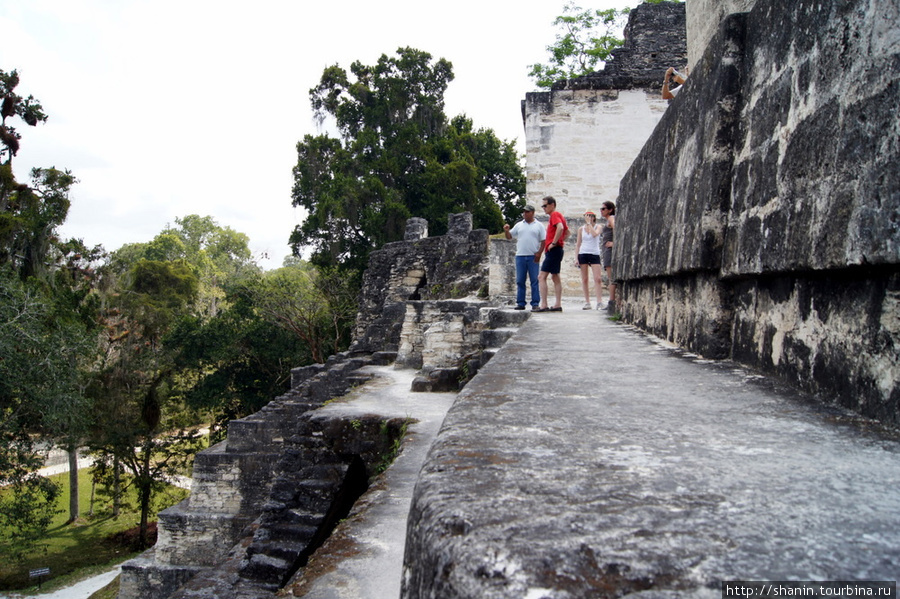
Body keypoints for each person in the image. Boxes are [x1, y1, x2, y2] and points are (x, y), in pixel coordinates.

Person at [503, 204, 545, 310]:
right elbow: (509, 237)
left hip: (533, 256)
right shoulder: (519, 225)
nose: (525, 214)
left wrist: (539, 253)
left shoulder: (539, 225)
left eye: (527, 212)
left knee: (534, 281)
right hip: (520, 256)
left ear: (532, 213)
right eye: (524, 212)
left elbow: (543, 241)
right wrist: (507, 230)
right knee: (520, 280)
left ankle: (535, 303)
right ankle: (521, 303)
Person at [535, 196, 568, 312]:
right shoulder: (558, 216)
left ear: (552, 205)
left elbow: (561, 227)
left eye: (545, 205)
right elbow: (567, 232)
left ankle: (544, 304)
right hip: (557, 250)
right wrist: (560, 241)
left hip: (553, 250)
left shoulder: (554, 215)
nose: (543, 208)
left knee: (541, 276)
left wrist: (554, 243)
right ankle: (557, 304)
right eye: (542, 206)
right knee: (555, 276)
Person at [574, 210, 603, 310]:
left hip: (594, 253)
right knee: (585, 279)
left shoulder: (598, 226)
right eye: (587, 216)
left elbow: (595, 234)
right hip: (583, 253)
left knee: (598, 278)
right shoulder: (581, 229)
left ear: (594, 217)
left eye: (590, 216)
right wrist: (576, 258)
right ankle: (587, 302)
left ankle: (599, 301)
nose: (589, 217)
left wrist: (589, 224)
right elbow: (578, 244)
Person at [600, 201, 617, 311]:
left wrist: (614, 243)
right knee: (610, 277)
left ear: (610, 210)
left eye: (603, 208)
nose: (601, 211)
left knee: (611, 278)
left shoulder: (611, 218)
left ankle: (612, 301)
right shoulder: (608, 220)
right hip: (607, 250)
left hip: (610, 250)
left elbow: (617, 229)